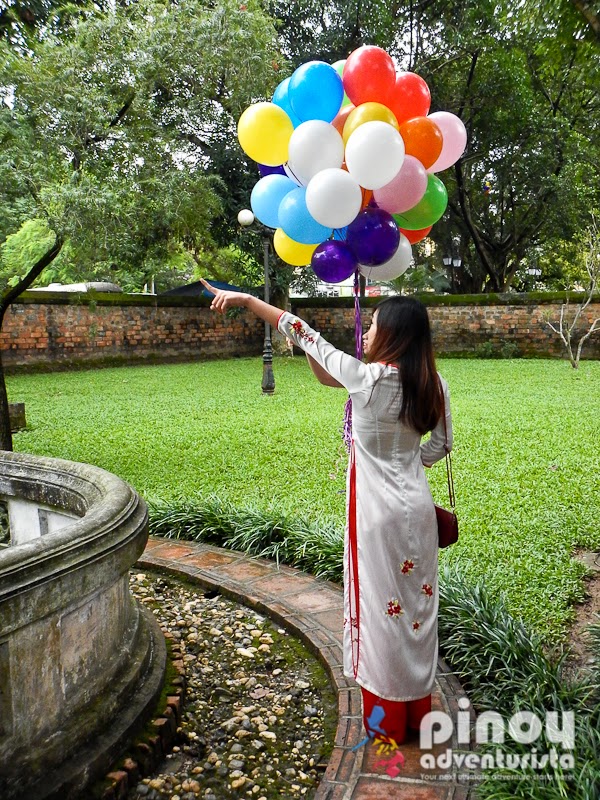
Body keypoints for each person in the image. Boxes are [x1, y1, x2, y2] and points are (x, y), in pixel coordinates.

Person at [199, 279, 453, 745]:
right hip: (418, 510)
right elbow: (439, 446)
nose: (367, 335)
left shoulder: (368, 378)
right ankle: (419, 712)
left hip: (376, 517)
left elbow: (300, 330)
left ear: (392, 334)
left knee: (380, 614)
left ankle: (387, 725)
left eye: (373, 326)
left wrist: (247, 300)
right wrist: (403, 464)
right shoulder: (432, 382)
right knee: (418, 609)